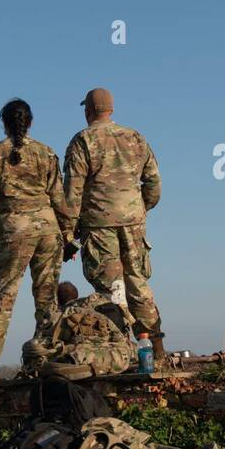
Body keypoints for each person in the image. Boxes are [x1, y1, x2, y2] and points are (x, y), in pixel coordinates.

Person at [63, 87, 166, 361]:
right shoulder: (136, 138)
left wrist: (68, 233)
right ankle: (154, 348)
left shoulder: (82, 141)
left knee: (110, 288)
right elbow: (154, 184)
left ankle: (122, 351)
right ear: (111, 109)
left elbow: (72, 193)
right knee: (138, 282)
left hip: (98, 225)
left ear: (88, 111)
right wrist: (140, 208)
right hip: (134, 223)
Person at [0, 98, 75, 372]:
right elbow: (59, 198)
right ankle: (44, 362)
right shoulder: (46, 153)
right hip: (47, 227)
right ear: (29, 123)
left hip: (13, 228)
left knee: (1, 299)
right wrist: (68, 235)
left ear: (4, 124)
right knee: (47, 301)